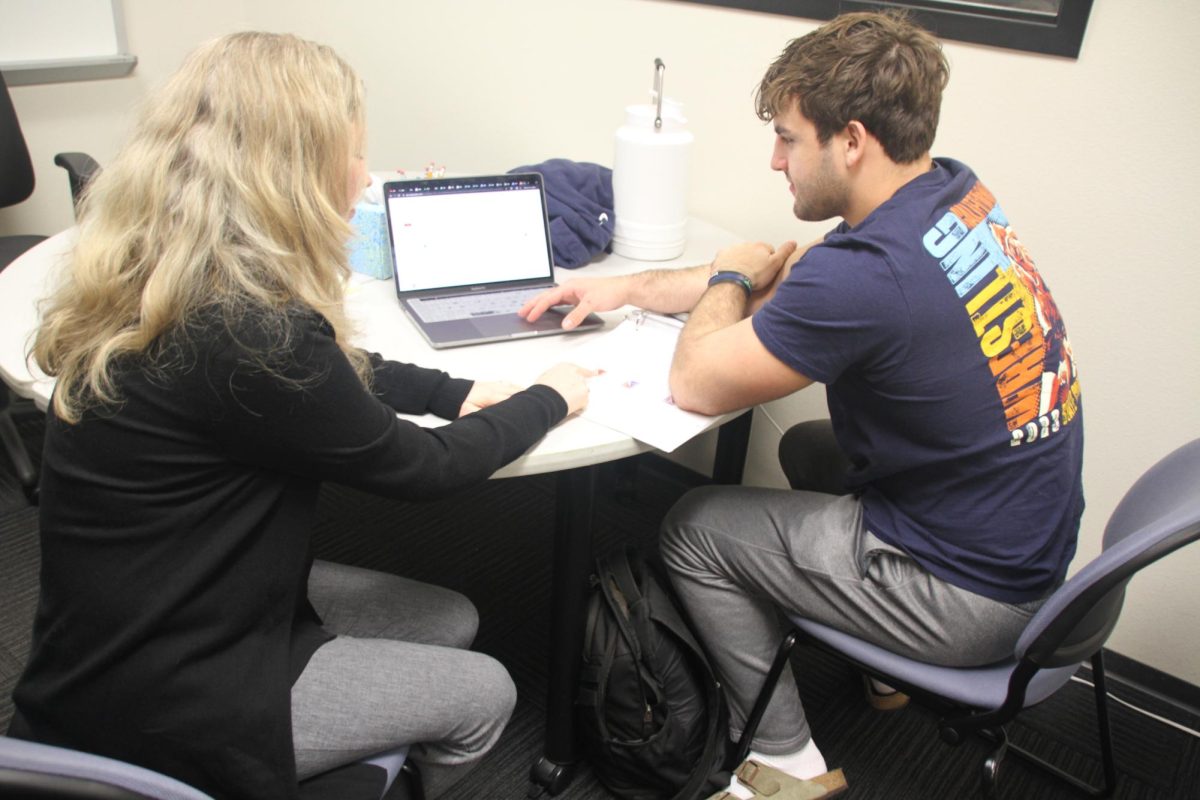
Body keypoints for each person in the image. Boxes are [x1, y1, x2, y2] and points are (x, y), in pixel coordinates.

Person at [7, 32, 594, 800]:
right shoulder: (252, 330)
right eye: (354, 155)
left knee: (445, 617)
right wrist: (547, 396)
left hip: (132, 622)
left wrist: (449, 391)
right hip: (183, 689)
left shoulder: (161, 270)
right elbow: (423, 468)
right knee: (485, 692)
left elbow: (316, 379)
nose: (363, 177)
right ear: (291, 172)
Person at [521, 10, 1083, 799]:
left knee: (695, 528)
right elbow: (783, 282)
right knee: (810, 449)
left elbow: (696, 381)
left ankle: (785, 765)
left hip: (970, 597)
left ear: (851, 140)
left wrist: (725, 276)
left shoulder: (868, 275)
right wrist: (621, 289)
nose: (775, 159)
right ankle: (882, 674)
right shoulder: (948, 196)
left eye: (789, 137)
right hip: (1030, 552)